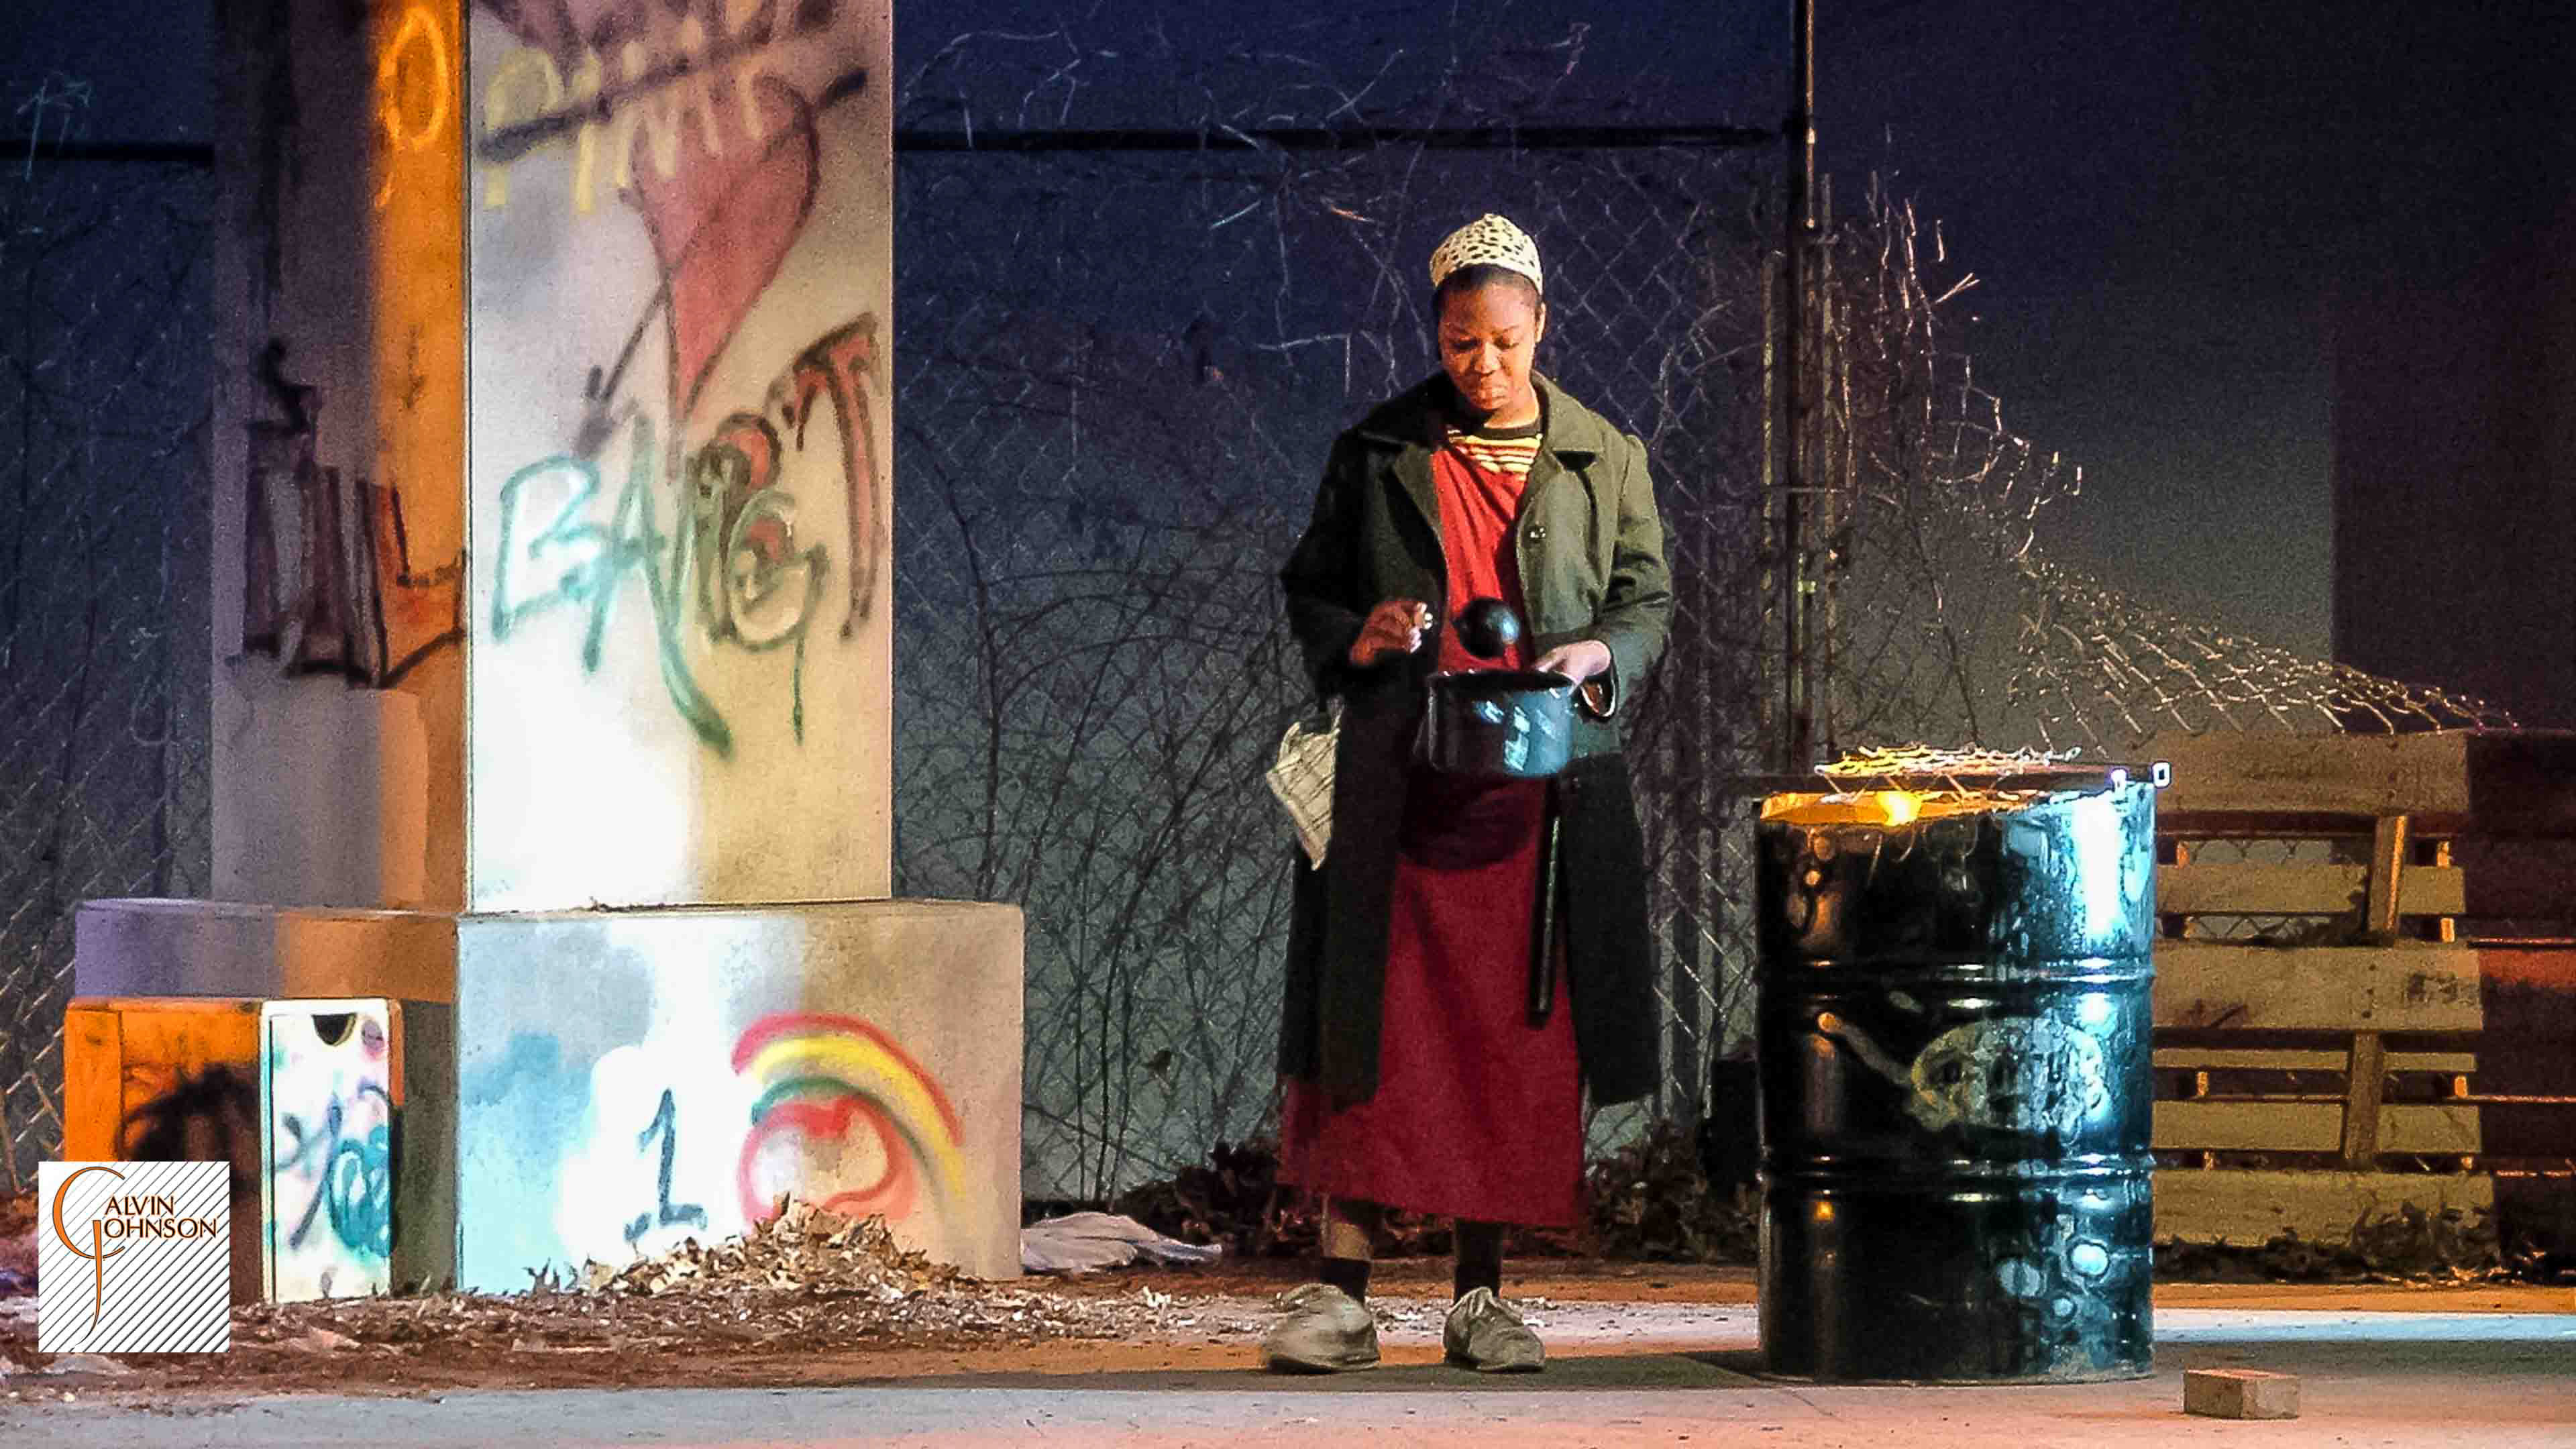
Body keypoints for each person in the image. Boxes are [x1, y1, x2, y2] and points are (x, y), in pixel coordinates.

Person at [1269, 213, 1674, 1373]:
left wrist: (1598, 657)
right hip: (1401, 778)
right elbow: (1311, 590)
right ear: (1435, 335)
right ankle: (1342, 1296)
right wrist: (1366, 636)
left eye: (1503, 341)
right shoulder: (1379, 448)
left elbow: (1645, 604)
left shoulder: (1608, 456)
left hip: (1532, 791)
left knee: (1510, 1033)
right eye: (1459, 343)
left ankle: (1480, 1297)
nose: (1482, 365)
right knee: (1369, 1022)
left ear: (1542, 324)